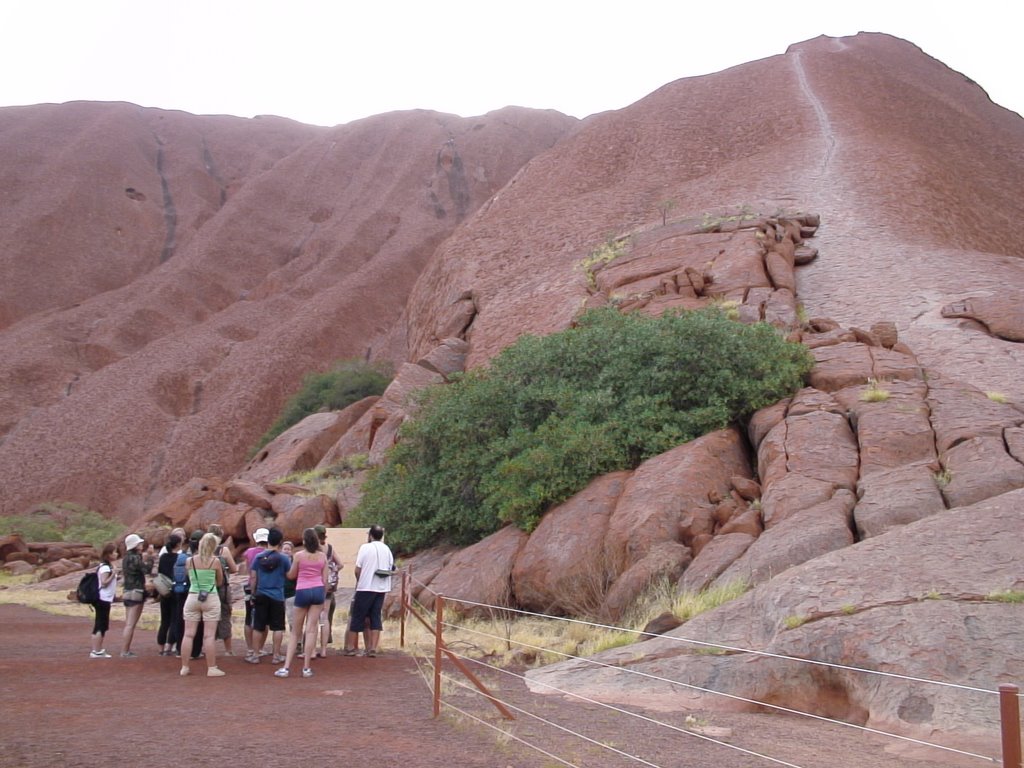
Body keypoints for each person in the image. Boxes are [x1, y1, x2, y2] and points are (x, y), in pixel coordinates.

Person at [276, 528, 327, 678]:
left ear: (304, 541)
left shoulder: (298, 556)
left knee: (295, 632)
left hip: (302, 591)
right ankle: (306, 668)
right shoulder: (322, 556)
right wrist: (323, 598)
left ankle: (286, 668)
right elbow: (325, 581)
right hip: (317, 591)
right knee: (311, 629)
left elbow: (291, 575)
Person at [179, 532, 226, 677]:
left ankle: (184, 667)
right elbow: (220, 582)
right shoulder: (216, 561)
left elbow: (189, 577)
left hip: (193, 596)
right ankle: (211, 668)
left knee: (188, 634)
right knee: (209, 636)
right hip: (210, 596)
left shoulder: (190, 561)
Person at [344, 525, 394, 658]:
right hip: (382, 587)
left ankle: (350, 647)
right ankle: (372, 648)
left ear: (370, 535)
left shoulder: (365, 547)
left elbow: (357, 569)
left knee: (357, 617)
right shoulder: (387, 549)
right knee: (375, 616)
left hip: (366, 587)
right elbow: (391, 567)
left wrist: (359, 581)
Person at [249, 528, 290, 666]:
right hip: (277, 595)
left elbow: (253, 576)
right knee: (278, 627)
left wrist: (253, 593)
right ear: (280, 542)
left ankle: (255, 655)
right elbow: (289, 575)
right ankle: (276, 655)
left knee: (258, 626)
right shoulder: (283, 558)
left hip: (261, 593)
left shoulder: (258, 557)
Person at [207, 523, 238, 656]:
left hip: (207, 589)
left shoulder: (203, 550)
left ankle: (209, 648)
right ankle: (228, 650)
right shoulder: (223, 551)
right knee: (225, 617)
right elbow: (234, 568)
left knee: (208, 618)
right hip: (223, 589)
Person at [119, 533, 150, 658]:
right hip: (136, 591)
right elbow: (146, 570)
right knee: (131, 624)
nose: (141, 545)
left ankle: (125, 650)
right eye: (139, 543)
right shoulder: (136, 558)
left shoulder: (126, 558)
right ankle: (124, 651)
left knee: (128, 623)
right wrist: (151, 558)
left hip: (127, 590)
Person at [315, 524, 344, 656]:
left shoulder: (314, 549)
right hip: (328, 586)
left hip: (315, 584)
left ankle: (312, 649)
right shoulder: (330, 549)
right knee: (325, 617)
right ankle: (324, 650)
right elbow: (341, 564)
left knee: (313, 617)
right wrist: (333, 571)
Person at [243, 527, 269, 662]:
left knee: (249, 618)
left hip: (250, 586)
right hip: (265, 588)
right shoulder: (270, 553)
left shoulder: (249, 552)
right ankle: (260, 647)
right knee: (264, 620)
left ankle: (250, 648)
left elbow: (249, 570)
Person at [89, 543, 118, 658]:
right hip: (103, 598)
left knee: (101, 624)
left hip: (105, 598)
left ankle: (97, 649)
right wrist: (113, 574)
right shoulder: (105, 568)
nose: (116, 554)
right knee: (101, 624)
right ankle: (96, 650)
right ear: (109, 554)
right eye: (114, 552)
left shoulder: (105, 566)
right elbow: (104, 582)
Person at [156, 533, 182, 656]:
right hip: (175, 590)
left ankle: (161, 648)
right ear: (178, 544)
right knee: (175, 619)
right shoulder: (180, 557)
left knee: (164, 620)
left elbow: (160, 572)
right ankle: (170, 646)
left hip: (163, 590)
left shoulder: (163, 557)